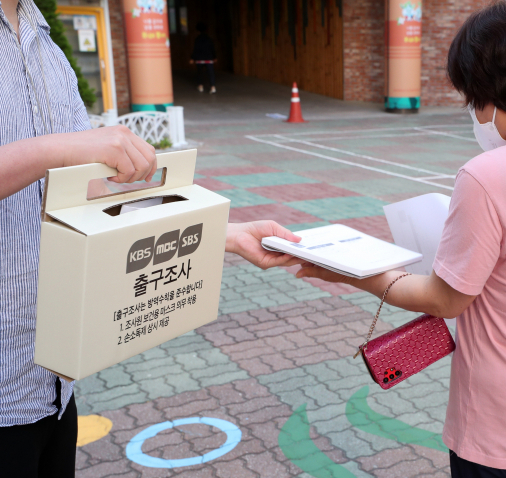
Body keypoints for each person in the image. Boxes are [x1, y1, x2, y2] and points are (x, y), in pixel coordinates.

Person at [296, 1, 506, 476]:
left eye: (470, 99)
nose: (473, 113)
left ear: (491, 89)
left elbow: (444, 300)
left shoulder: (489, 176)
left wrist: (349, 271)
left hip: (502, 429)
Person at [0, 0, 298, 475]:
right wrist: (54, 150)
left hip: (51, 380)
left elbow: (92, 198)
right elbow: (60, 156)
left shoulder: (45, 45)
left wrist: (227, 233)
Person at [189, 22, 217, 94]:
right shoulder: (209, 39)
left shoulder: (197, 39)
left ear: (198, 30)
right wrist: (214, 57)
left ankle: (200, 86)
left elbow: (195, 49)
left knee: (199, 72)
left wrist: (192, 58)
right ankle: (213, 87)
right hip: (209, 58)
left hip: (199, 59)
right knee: (211, 73)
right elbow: (212, 48)